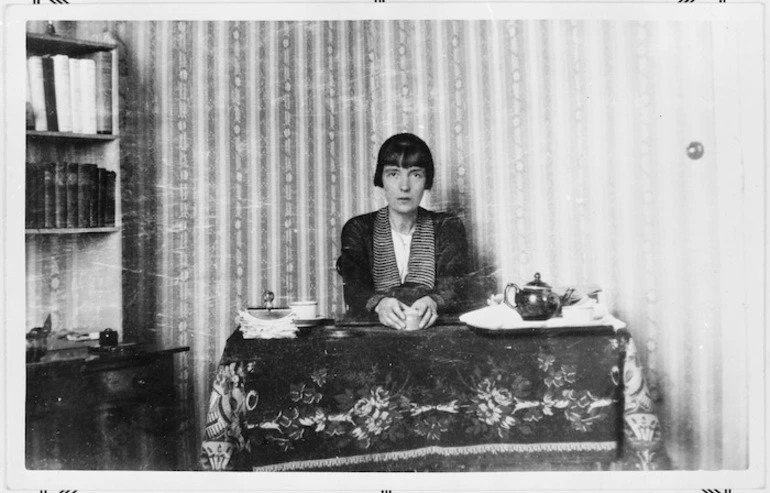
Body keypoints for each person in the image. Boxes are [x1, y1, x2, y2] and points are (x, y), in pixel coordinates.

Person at [336, 133, 469, 330]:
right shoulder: (358, 229)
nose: (404, 186)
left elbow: (455, 288)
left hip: (433, 336)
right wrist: (380, 303)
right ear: (381, 179)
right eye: (393, 174)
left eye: (415, 174)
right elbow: (355, 291)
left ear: (427, 181)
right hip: (373, 339)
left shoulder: (447, 226)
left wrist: (433, 301)